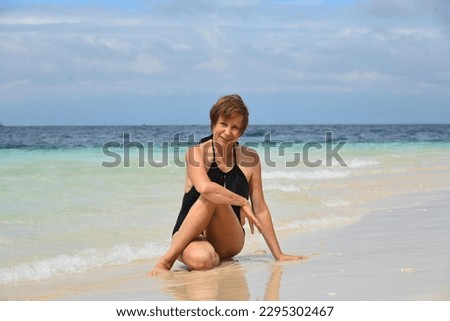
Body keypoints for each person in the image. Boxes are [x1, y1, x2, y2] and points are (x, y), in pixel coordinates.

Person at [149, 94, 307, 275]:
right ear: (213, 124)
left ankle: (165, 263)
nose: (227, 132)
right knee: (202, 260)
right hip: (191, 237)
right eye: (223, 124)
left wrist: (278, 254)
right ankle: (208, 258)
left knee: (214, 197)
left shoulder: (251, 160)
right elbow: (205, 188)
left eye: (235, 127)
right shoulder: (196, 153)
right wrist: (241, 201)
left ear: (241, 132)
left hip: (229, 238)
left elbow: (261, 208)